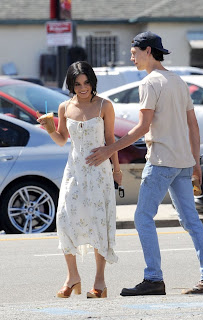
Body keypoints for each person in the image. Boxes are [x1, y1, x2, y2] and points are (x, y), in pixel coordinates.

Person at [86, 31, 203, 296]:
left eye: (134, 52)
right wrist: (196, 163)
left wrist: (109, 149)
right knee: (192, 221)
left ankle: (154, 278)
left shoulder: (150, 83)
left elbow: (142, 127)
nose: (131, 57)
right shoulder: (179, 81)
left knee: (143, 217)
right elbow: (193, 125)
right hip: (183, 161)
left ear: (148, 51)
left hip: (161, 161)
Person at [37, 61, 122, 299]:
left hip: (98, 172)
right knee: (64, 218)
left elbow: (110, 139)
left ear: (92, 82)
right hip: (74, 171)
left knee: (97, 222)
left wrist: (116, 168)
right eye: (77, 84)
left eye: (86, 83)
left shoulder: (105, 105)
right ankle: (72, 277)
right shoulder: (65, 106)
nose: (82, 88)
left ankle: (100, 282)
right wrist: (50, 128)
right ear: (71, 85)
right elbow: (62, 140)